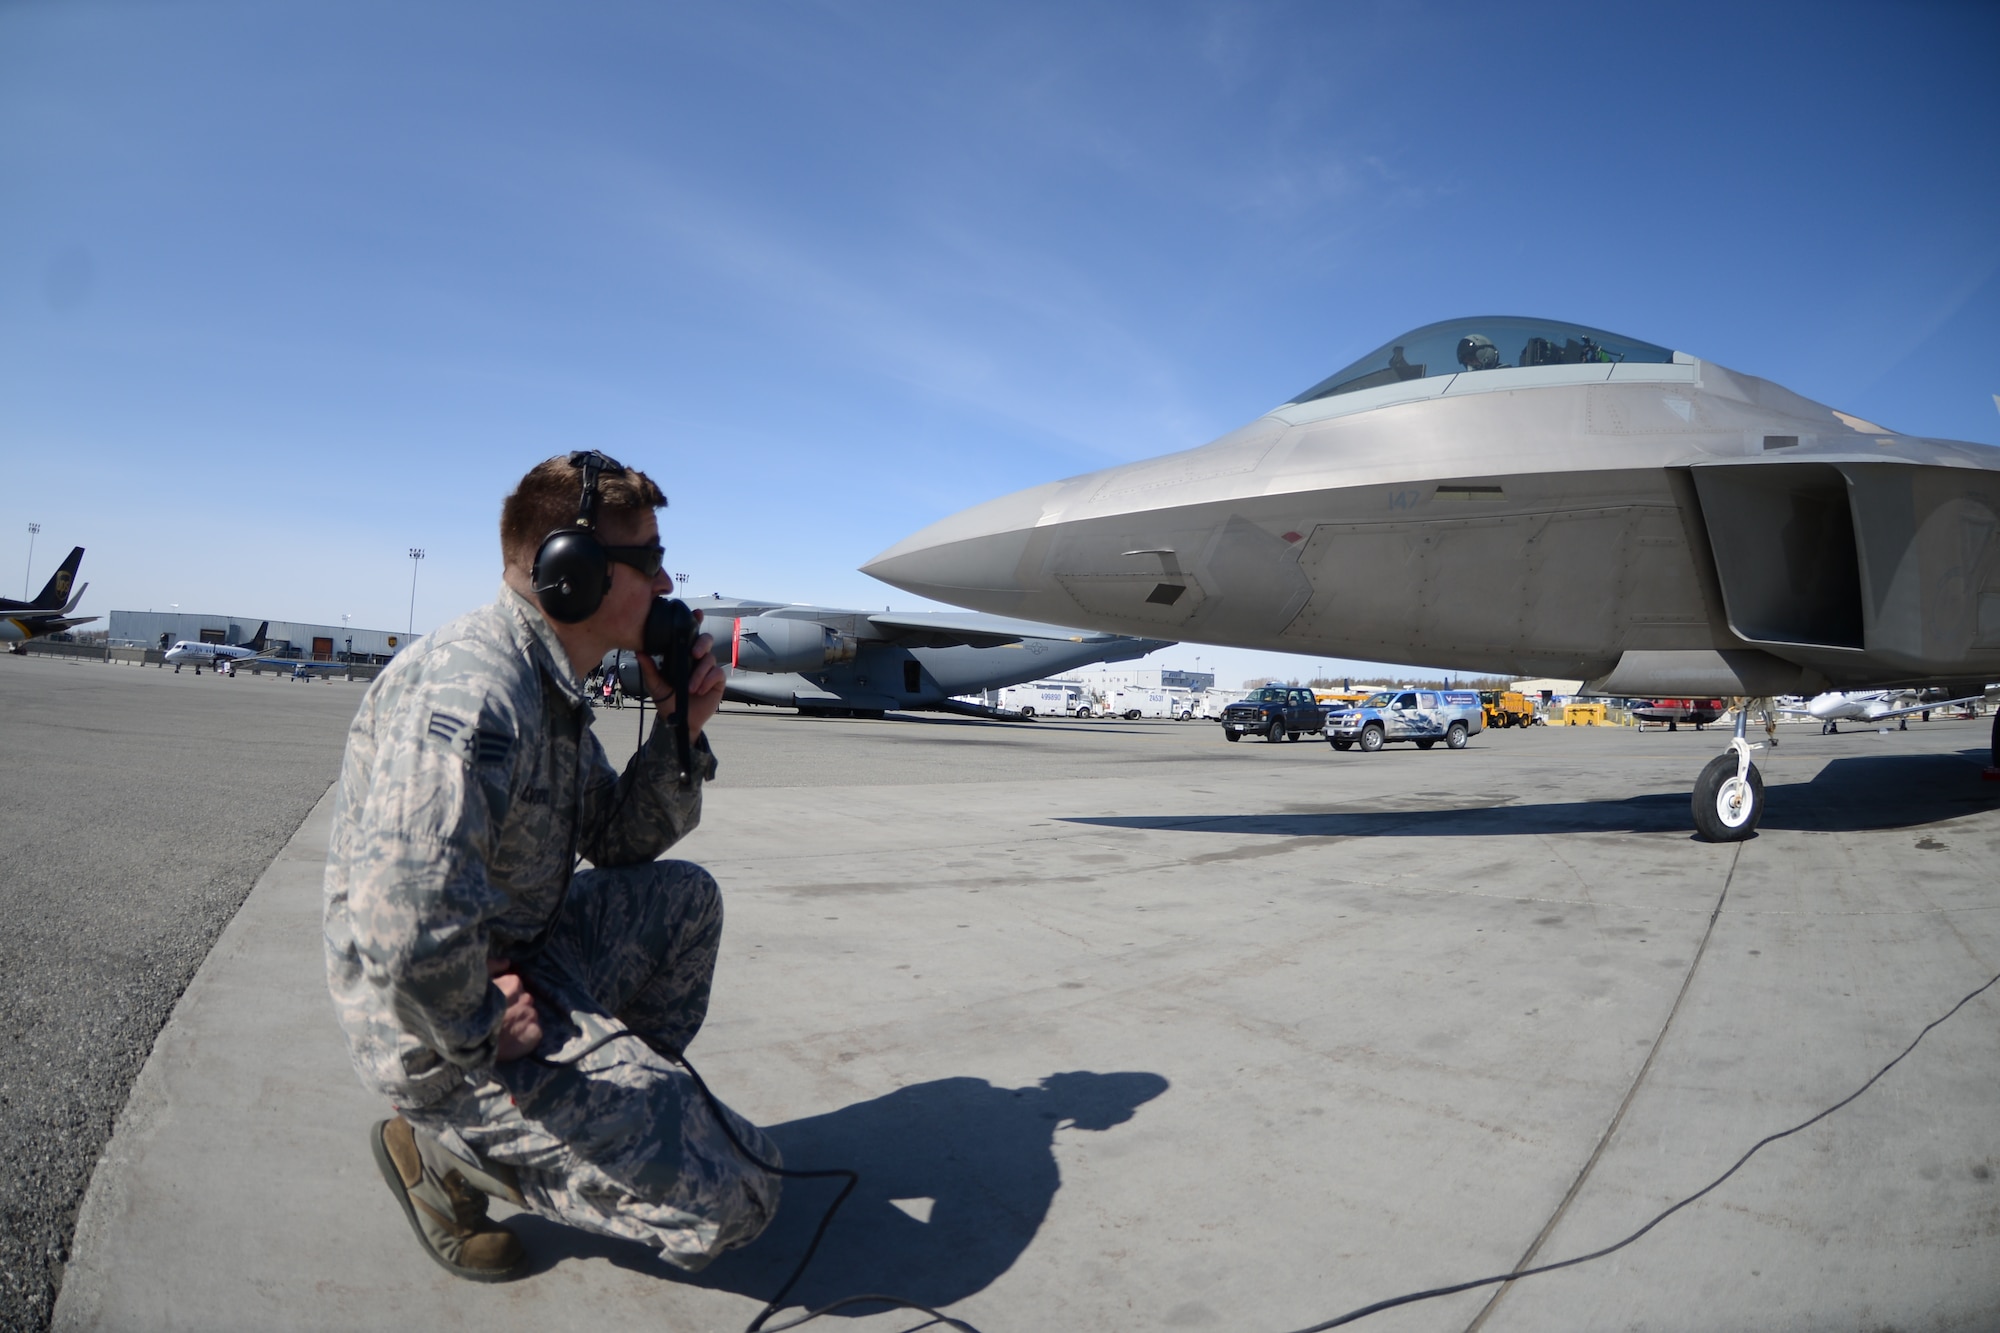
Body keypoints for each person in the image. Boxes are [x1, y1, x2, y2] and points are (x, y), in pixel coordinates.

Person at [324, 452, 779, 1282]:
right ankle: (447, 1152)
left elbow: (613, 838)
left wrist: (681, 730)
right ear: (576, 575)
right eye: (647, 560)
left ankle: (593, 1114)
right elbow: (400, 925)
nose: (667, 577)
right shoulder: (474, 693)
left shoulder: (549, 684)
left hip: (523, 955)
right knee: (738, 1196)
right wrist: (478, 1025)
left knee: (688, 903)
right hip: (437, 1029)